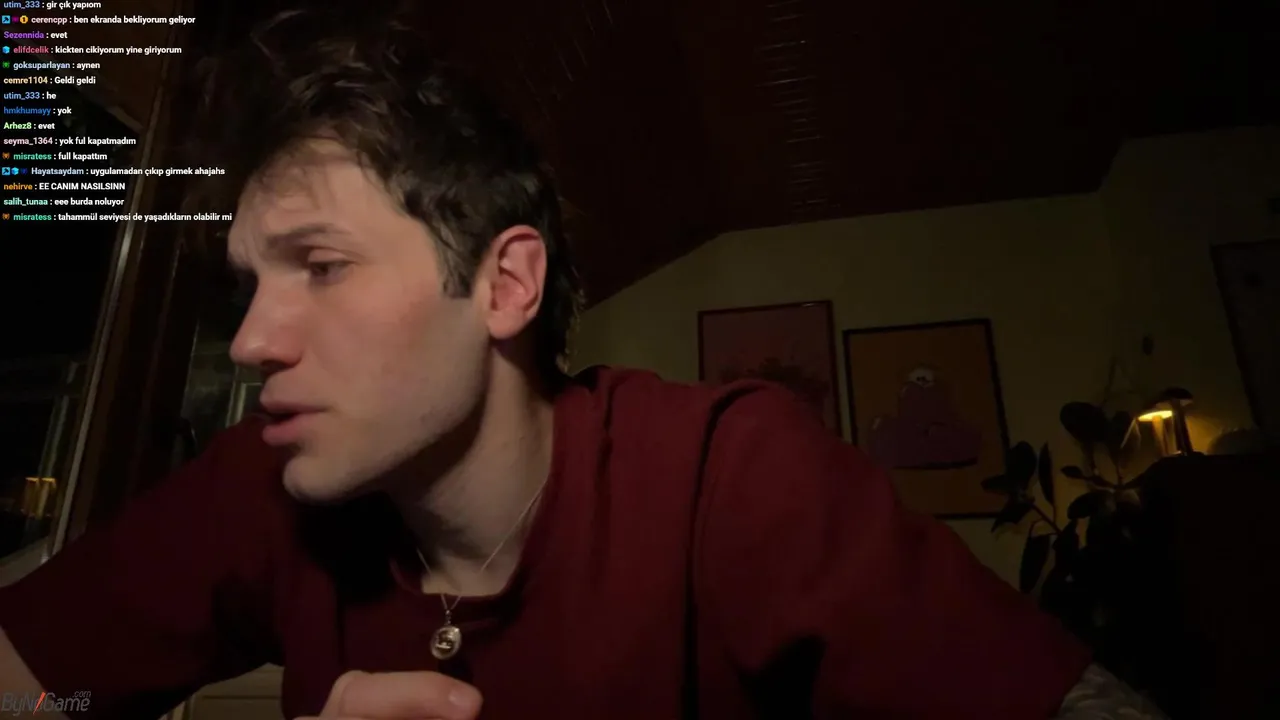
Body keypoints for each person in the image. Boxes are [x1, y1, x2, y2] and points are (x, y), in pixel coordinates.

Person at [0, 7, 1169, 720]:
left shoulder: (727, 472)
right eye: (249, 285)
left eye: (320, 265)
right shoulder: (270, 483)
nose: (254, 341)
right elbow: (45, 692)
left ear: (503, 286)